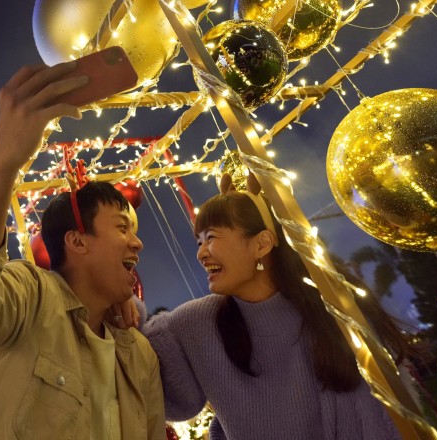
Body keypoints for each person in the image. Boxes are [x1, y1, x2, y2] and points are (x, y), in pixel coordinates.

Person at [0, 63, 166, 439]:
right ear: (77, 241)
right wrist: (4, 160)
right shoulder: (30, 296)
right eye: (121, 227)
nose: (137, 242)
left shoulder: (139, 356)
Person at [141, 173, 403, 440]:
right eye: (199, 242)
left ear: (262, 244)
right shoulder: (195, 322)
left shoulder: (331, 310)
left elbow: (386, 418)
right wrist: (126, 305)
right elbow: (163, 395)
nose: (201, 253)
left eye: (211, 237)